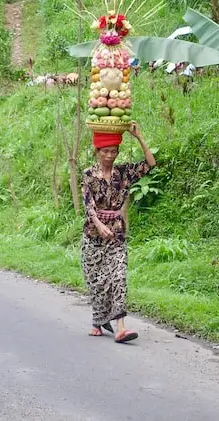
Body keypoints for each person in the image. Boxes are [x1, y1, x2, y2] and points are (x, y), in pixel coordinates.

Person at [81, 122, 156, 343]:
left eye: (113, 151)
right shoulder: (88, 175)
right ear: (97, 152)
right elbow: (88, 205)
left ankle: (121, 327)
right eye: (105, 151)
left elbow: (150, 164)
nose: (110, 155)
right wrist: (98, 224)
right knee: (97, 280)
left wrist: (139, 137)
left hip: (117, 235)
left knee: (118, 276)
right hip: (93, 236)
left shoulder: (124, 172)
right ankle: (98, 321)